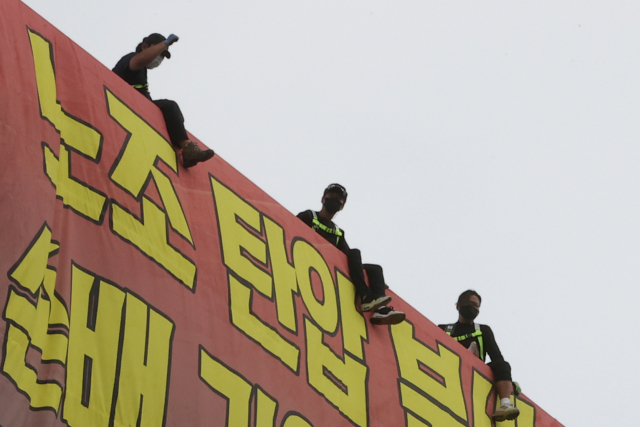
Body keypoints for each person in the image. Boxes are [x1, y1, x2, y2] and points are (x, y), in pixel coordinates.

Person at [297, 183, 405, 325]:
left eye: (338, 199)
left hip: (331, 264)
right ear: (323, 199)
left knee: (375, 269)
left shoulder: (338, 232)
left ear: (341, 206)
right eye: (331, 196)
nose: (334, 200)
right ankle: (365, 296)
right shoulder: (309, 216)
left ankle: (381, 310)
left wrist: (375, 281)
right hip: (311, 257)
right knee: (355, 253)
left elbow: (346, 255)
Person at [112, 33, 214, 168]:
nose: (159, 59)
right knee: (169, 106)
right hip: (120, 106)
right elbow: (137, 61)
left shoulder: (142, 73)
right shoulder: (131, 60)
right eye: (159, 53)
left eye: (162, 56)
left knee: (169, 110)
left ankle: (187, 150)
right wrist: (165, 43)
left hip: (135, 113)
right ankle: (187, 148)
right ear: (144, 46)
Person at [438, 290, 520, 422]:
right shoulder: (443, 329)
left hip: (475, 373)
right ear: (459, 305)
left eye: (477, 306)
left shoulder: (483, 330)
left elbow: (497, 358)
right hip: (449, 370)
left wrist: (507, 379)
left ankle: (505, 404)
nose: (474, 308)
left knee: (502, 365)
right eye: (470, 303)